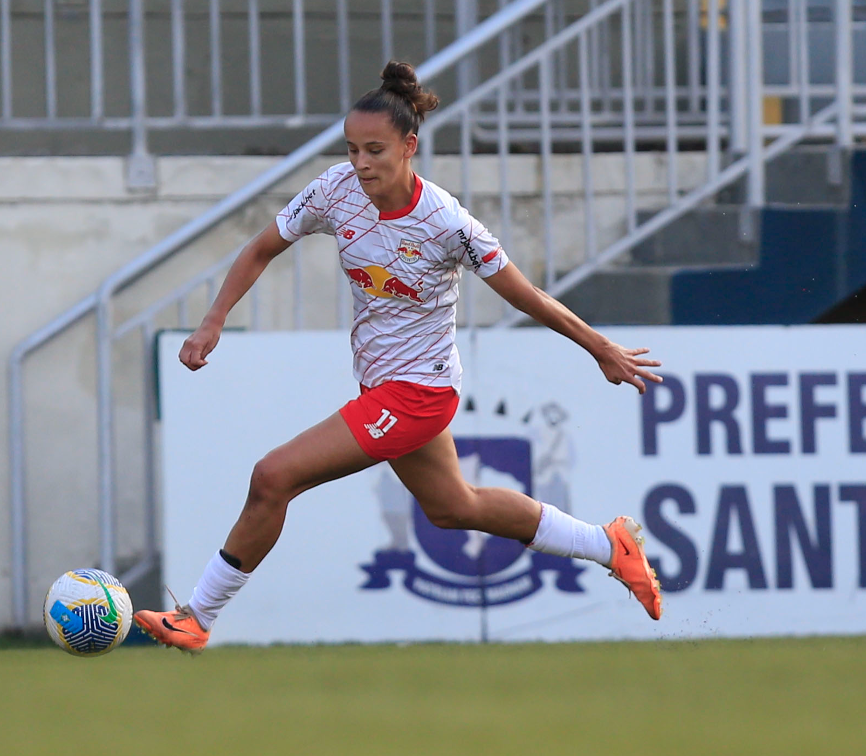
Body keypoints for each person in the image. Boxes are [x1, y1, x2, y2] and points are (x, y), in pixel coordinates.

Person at [134, 61, 664, 653]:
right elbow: (261, 248)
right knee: (454, 508)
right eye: (353, 148)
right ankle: (606, 543)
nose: (361, 163)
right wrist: (213, 320)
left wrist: (601, 349)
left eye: (375, 150)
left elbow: (527, 295)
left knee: (273, 476)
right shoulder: (335, 191)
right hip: (381, 388)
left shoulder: (445, 221)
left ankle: (199, 615)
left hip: (418, 394)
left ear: (410, 146)